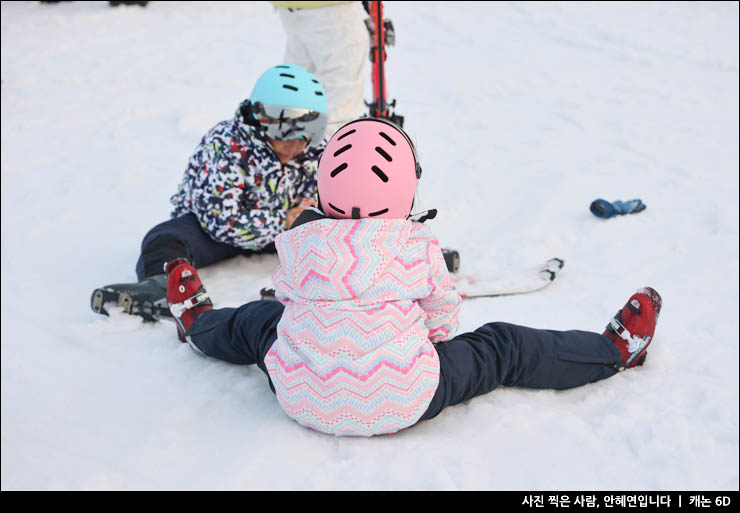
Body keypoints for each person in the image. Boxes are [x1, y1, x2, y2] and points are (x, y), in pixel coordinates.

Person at [162, 118, 663, 437]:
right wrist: (430, 346)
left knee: (257, 321)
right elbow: (442, 313)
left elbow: (288, 300)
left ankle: (198, 325)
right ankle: (611, 353)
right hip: (404, 395)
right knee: (502, 347)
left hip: (299, 394)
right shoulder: (416, 245)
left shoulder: (299, 242)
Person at [91, 64, 329, 323]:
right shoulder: (226, 144)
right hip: (215, 233)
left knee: (330, 233)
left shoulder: (312, 152)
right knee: (164, 237)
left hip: (284, 230)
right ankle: (162, 287)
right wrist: (282, 222)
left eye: (308, 135)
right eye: (287, 133)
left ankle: (328, 290)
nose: (296, 145)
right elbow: (220, 221)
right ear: (263, 118)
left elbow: (324, 196)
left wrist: (309, 216)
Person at [270, 1, 370, 136]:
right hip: (331, 9)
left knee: (297, 93)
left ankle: (289, 148)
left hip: (291, 8)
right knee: (339, 102)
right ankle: (327, 151)